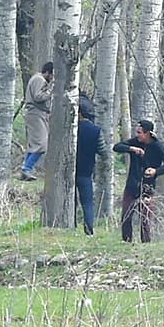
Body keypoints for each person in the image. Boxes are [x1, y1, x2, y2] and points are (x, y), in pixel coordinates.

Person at [112, 120, 164, 243]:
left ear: (148, 134)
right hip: (132, 184)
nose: (137, 135)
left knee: (145, 217)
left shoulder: (157, 146)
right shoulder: (135, 142)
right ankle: (126, 241)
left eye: (140, 132)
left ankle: (146, 242)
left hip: (147, 187)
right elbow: (117, 147)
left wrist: (156, 171)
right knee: (126, 216)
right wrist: (131, 148)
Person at [75, 95, 109, 236]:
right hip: (86, 171)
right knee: (87, 203)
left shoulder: (70, 128)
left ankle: (70, 226)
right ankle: (89, 230)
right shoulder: (96, 131)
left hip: (69, 172)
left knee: (71, 201)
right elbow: (103, 151)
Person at [20, 62, 54, 181]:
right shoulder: (39, 80)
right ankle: (27, 168)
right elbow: (38, 97)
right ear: (48, 72)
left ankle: (26, 168)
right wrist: (50, 92)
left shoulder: (36, 78)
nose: (52, 79)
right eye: (52, 75)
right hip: (36, 113)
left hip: (37, 113)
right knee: (42, 144)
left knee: (34, 144)